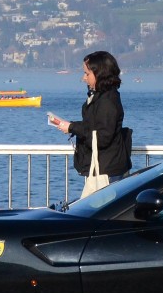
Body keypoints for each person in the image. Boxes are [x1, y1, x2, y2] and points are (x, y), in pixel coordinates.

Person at [49, 51, 130, 193]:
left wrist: (73, 127)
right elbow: (94, 126)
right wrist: (71, 126)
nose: (84, 78)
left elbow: (102, 137)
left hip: (107, 170)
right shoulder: (103, 97)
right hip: (105, 167)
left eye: (87, 74)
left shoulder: (107, 101)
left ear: (99, 74)